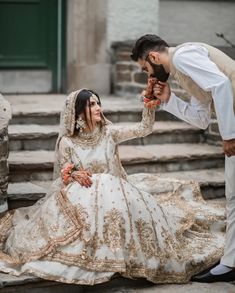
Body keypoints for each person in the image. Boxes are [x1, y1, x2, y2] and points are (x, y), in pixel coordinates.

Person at [0, 89, 225, 285]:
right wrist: (74, 173)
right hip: (84, 199)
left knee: (107, 184)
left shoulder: (108, 132)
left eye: (98, 102)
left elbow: (143, 129)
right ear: (78, 112)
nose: (99, 107)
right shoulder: (67, 142)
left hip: (116, 195)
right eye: (92, 104)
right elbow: (65, 176)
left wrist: (148, 106)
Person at [131, 34, 235, 283]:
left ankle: (231, 264)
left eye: (146, 68)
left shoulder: (184, 55)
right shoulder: (183, 73)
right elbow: (200, 119)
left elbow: (221, 84)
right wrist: (168, 100)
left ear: (153, 57)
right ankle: (231, 263)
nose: (149, 76)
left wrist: (229, 135)